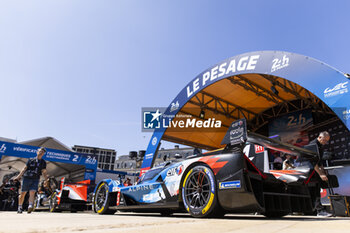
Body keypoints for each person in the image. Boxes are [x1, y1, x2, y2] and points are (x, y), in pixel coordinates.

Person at [296, 131, 332, 217]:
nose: (325, 142)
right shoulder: (312, 146)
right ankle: (319, 211)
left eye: (327, 141)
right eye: (324, 140)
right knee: (315, 190)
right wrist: (320, 174)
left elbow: (319, 161)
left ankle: (313, 210)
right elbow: (313, 162)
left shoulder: (320, 146)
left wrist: (323, 171)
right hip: (307, 170)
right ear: (319, 137)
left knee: (315, 189)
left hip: (311, 169)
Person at [14, 147, 49, 214]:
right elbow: (24, 168)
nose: (41, 153)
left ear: (43, 154)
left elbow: (44, 172)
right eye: (40, 151)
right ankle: (20, 207)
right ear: (37, 152)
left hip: (35, 178)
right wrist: (18, 177)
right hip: (27, 177)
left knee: (32, 192)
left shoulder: (43, 162)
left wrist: (46, 180)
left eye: (43, 152)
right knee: (23, 193)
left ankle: (30, 206)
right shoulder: (31, 160)